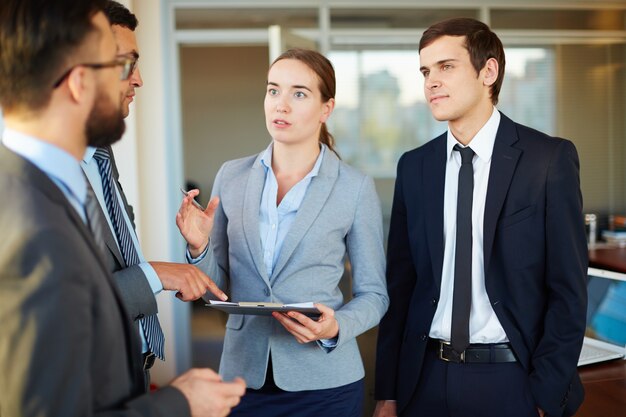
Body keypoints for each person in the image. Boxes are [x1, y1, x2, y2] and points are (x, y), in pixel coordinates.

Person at [0, 1, 245, 416]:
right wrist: (180, 404)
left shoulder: (49, 188)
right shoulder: (32, 228)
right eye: (122, 64)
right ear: (79, 81)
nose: (138, 80)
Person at [374, 18, 588, 417]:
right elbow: (400, 288)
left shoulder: (548, 160)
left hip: (512, 381)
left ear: (488, 71)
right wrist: (387, 392)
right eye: (425, 71)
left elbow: (569, 292)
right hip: (424, 380)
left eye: (446, 67)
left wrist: (546, 394)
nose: (431, 82)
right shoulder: (414, 167)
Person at [176, 48, 389, 416]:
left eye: (299, 94)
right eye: (273, 91)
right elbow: (219, 284)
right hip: (243, 379)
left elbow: (375, 295)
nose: (281, 105)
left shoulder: (354, 188)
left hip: (326, 385)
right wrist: (199, 248)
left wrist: (336, 327)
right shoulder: (232, 176)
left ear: (326, 109)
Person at [81, 0, 227, 381]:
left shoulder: (101, 154)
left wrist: (196, 249)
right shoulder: (37, 179)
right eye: (127, 64)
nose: (139, 79)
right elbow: (68, 307)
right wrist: (157, 274)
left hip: (133, 370)